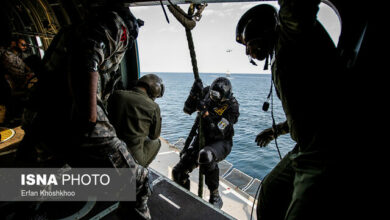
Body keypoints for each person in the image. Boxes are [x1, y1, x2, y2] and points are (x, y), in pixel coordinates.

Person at [17, 2, 151, 219]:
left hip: (42, 117)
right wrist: (89, 117)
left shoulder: (74, 29)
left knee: (33, 183)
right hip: (74, 118)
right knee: (140, 182)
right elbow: (88, 58)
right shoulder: (118, 26)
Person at [236, 2, 343, 219]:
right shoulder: (282, 53)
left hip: (327, 148)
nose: (248, 51)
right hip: (306, 145)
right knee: (270, 191)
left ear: (266, 29)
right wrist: (275, 131)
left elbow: (297, 7)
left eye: (249, 43)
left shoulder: (292, 34)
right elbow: (307, 113)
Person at [172, 77, 240, 209]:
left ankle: (215, 195)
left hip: (220, 142)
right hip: (202, 138)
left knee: (205, 155)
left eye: (216, 95)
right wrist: (193, 93)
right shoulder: (207, 92)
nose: (212, 97)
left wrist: (205, 114)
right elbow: (187, 109)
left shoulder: (232, 107)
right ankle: (185, 202)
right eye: (211, 93)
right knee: (178, 173)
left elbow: (218, 132)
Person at [108, 73, 164, 168]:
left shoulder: (116, 95)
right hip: (132, 160)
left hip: (111, 152)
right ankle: (140, 171)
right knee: (157, 142)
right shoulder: (153, 107)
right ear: (155, 91)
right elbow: (154, 136)